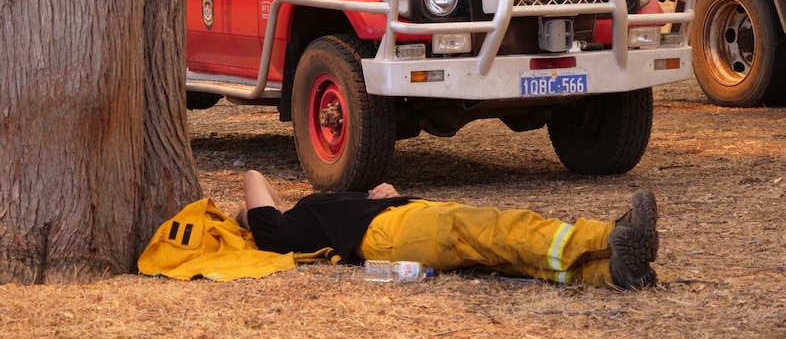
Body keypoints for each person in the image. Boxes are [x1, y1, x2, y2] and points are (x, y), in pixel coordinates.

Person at [238, 169, 659, 290]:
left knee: (503, 257)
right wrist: (248, 216)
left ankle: (614, 271)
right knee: (501, 229)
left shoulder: (297, 218)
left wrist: (386, 194)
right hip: (390, 233)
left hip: (402, 218)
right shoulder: (278, 232)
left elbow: (266, 190)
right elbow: (255, 177)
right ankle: (609, 235)